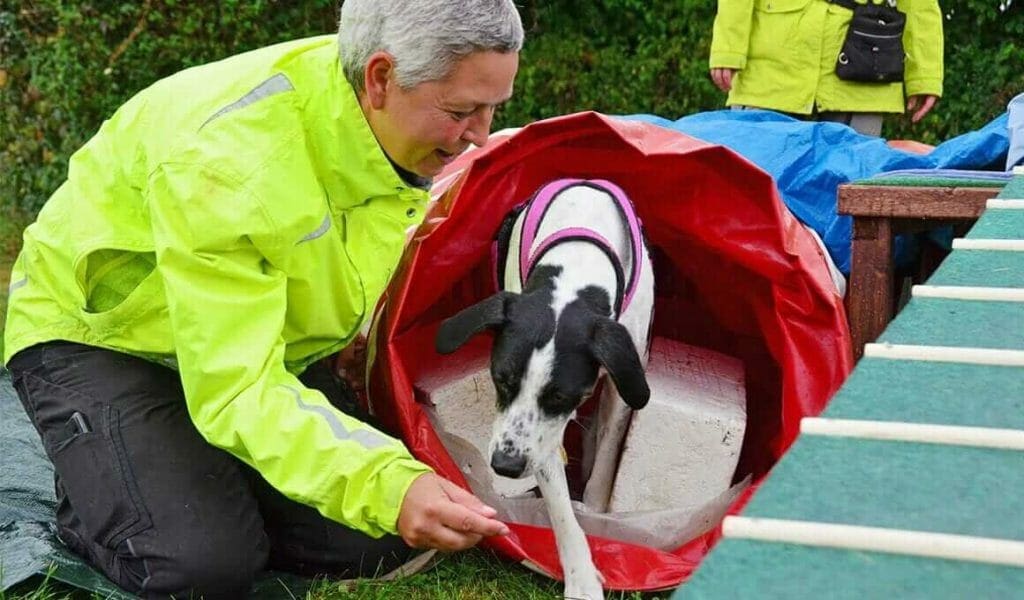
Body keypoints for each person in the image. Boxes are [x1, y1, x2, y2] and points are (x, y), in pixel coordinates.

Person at [2, 0, 522, 596]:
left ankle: (183, 469)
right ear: (381, 77)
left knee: (380, 538)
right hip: (108, 340)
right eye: (461, 111)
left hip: (242, 342)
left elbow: (337, 257)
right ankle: (108, 482)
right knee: (200, 565)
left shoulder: (374, 119)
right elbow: (237, 388)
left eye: (492, 109)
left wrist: (353, 339)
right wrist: (387, 484)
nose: (481, 135)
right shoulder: (229, 166)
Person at [708, 0, 943, 136]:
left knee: (850, 194)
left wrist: (924, 75)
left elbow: (920, 5)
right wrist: (728, 47)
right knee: (756, 187)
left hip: (863, 69)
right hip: (770, 69)